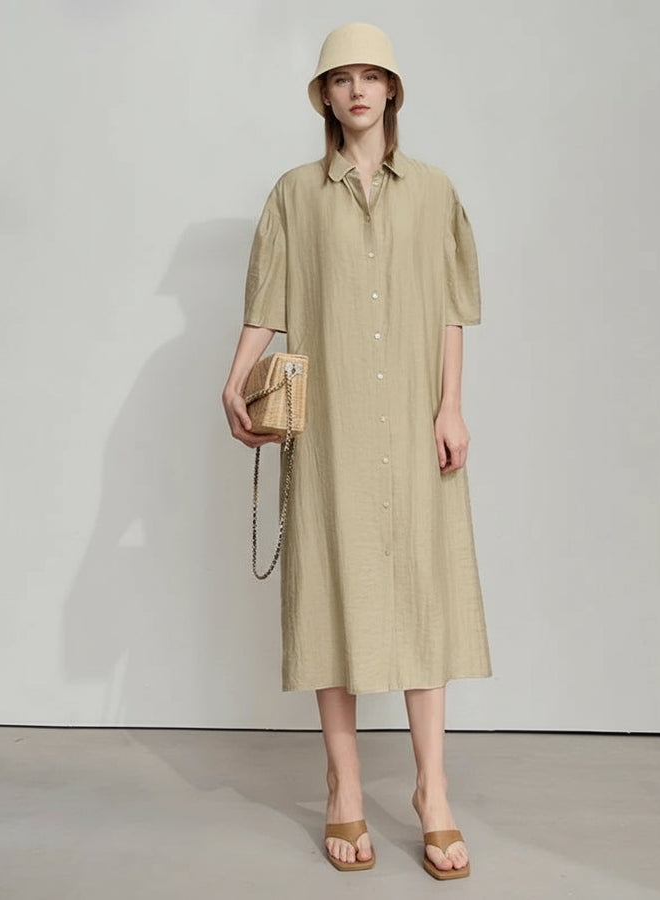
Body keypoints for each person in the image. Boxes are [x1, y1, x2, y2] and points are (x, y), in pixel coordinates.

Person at [221, 22, 492, 879]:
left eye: (374, 76)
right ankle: (343, 788)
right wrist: (234, 382)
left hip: (415, 424)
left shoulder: (436, 191)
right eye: (343, 78)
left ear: (393, 92)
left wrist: (451, 406)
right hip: (330, 424)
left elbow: (451, 311)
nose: (359, 91)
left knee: (425, 591)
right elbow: (268, 300)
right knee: (330, 593)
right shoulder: (295, 195)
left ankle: (432, 792)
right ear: (325, 96)